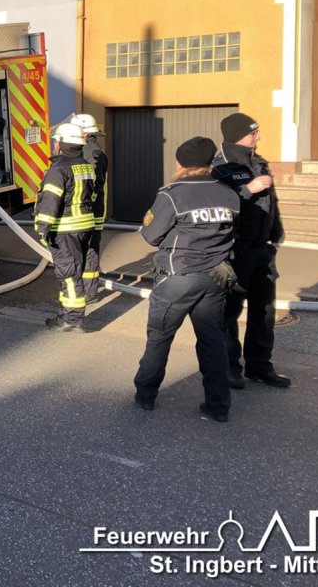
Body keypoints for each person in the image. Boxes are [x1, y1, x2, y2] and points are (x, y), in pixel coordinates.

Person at [133, 137, 240, 422]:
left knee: (160, 338)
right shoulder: (229, 194)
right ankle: (218, 405)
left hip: (178, 278)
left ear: (180, 163)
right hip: (215, 277)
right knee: (212, 340)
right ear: (208, 164)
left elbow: (151, 235)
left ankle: (145, 396)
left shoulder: (172, 194)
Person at [212, 112, 291, 389]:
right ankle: (230, 366)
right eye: (253, 132)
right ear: (237, 135)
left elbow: (272, 201)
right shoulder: (219, 168)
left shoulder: (259, 162)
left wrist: (277, 232)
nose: (258, 136)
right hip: (233, 251)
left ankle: (259, 366)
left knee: (264, 312)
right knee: (229, 313)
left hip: (262, 251)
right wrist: (248, 189)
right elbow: (217, 206)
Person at [35, 122, 98, 332]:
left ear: (61, 144)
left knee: (69, 275)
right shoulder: (87, 165)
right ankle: (66, 314)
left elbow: (50, 201)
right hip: (85, 225)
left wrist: (42, 226)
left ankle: (72, 320)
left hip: (65, 228)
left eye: (56, 141)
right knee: (75, 270)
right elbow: (93, 195)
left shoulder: (58, 169)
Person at [71, 113, 107, 300]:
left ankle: (90, 291)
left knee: (90, 249)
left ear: (84, 133)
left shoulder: (92, 154)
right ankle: (87, 289)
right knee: (86, 249)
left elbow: (92, 185)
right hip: (91, 209)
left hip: (91, 211)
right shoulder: (88, 150)